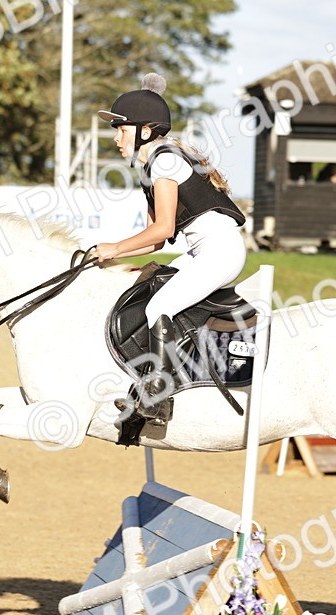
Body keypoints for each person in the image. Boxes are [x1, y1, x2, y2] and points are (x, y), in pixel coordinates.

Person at [94, 73, 246, 423]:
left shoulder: (163, 161)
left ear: (145, 130)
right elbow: (158, 238)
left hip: (219, 251)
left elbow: (162, 229)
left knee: (159, 305)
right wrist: (112, 257)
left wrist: (115, 247)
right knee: (148, 284)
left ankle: (158, 400)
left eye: (121, 128)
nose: (116, 137)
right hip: (200, 250)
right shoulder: (151, 165)